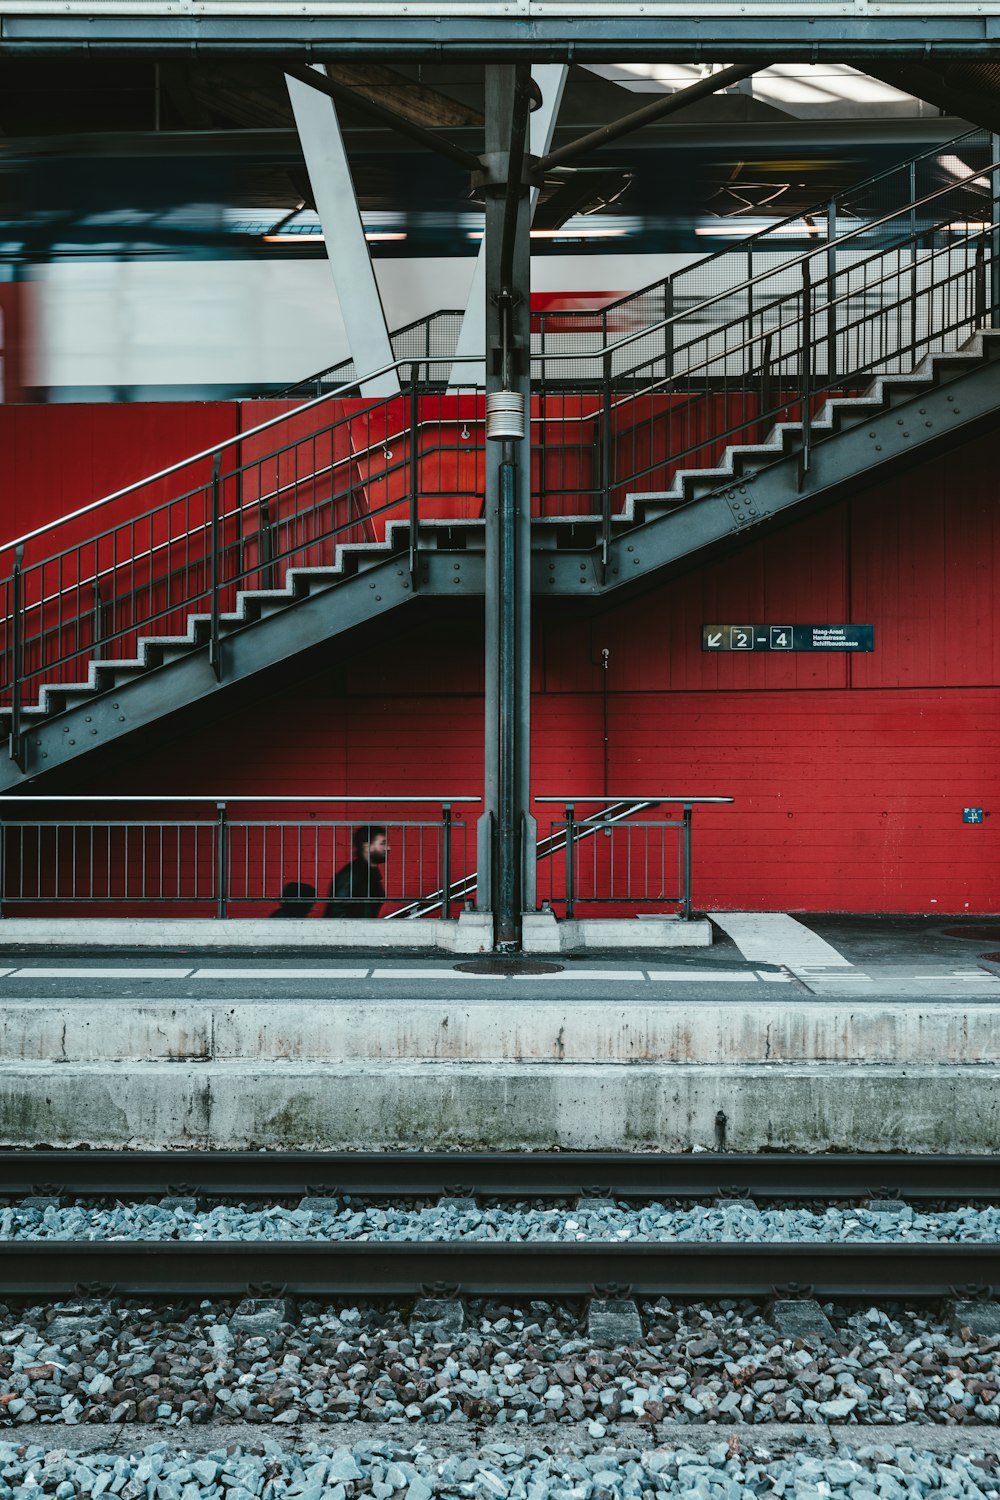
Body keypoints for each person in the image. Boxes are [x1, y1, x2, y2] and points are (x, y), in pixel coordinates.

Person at [324, 825, 387, 918]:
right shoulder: (351, 875)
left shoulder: (369, 874)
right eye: (383, 843)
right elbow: (337, 914)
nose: (388, 848)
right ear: (366, 847)